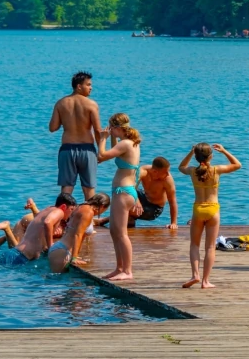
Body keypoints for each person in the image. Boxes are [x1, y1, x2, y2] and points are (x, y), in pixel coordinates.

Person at [178, 142, 242, 289]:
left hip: (198, 209)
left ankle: (195, 275)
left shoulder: (193, 171)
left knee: (194, 245)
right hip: (213, 210)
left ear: (195, 157)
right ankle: (205, 281)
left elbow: (180, 167)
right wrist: (224, 151)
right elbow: (237, 165)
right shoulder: (216, 170)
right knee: (210, 247)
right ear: (211, 156)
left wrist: (190, 153)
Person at [96, 118, 143, 281]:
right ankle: (119, 267)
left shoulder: (126, 144)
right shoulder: (129, 142)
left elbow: (101, 156)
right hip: (122, 191)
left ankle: (128, 270)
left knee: (121, 233)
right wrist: (112, 138)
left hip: (124, 192)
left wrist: (102, 138)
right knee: (114, 230)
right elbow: (115, 151)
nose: (109, 130)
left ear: (116, 127)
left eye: (111, 128)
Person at [49, 71, 102, 202]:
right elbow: (97, 130)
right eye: (88, 85)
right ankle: (90, 221)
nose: (91, 88)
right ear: (79, 86)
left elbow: (52, 128)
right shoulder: (91, 104)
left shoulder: (61, 103)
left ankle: (62, 219)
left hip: (67, 150)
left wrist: (66, 118)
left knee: (66, 189)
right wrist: (101, 150)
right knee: (89, 189)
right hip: (87, 150)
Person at [96, 157, 179, 231]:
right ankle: (130, 221)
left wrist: (173, 223)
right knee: (123, 193)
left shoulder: (167, 180)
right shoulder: (143, 171)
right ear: (155, 171)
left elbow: (172, 201)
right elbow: (130, 186)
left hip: (154, 208)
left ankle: (104, 220)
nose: (168, 174)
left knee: (130, 208)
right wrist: (136, 201)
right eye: (166, 172)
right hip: (144, 197)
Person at [0, 193, 76, 266]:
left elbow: (39, 222)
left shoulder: (48, 209)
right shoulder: (59, 212)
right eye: (71, 209)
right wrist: (51, 247)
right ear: (63, 207)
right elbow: (47, 222)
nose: (72, 214)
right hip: (20, 257)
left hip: (14, 253)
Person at [47, 194, 111, 272]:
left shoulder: (82, 207)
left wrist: (76, 254)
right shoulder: (88, 212)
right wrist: (74, 257)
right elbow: (78, 234)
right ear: (102, 206)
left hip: (61, 250)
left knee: (59, 281)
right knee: (55, 281)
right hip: (61, 251)